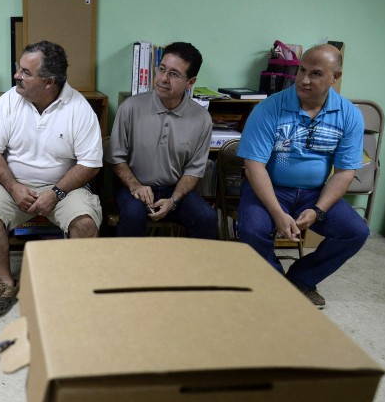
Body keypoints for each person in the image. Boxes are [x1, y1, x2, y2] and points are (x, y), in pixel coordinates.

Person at [0, 41, 103, 318]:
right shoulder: (9, 100)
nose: (17, 76)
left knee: (85, 222)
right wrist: (13, 186)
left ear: (49, 82)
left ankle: (76, 286)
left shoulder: (79, 109)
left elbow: (90, 164)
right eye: (19, 69)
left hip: (64, 187)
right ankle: (7, 284)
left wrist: (56, 193)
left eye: (25, 72)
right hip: (13, 183)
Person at [237, 43, 369, 308]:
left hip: (314, 194)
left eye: (316, 74)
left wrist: (318, 210)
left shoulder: (349, 115)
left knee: (356, 232)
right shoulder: (269, 108)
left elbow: (344, 172)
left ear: (335, 77)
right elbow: (254, 167)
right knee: (252, 229)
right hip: (271, 189)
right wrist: (277, 213)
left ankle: (301, 279)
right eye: (302, 71)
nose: (305, 80)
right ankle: (273, 281)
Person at [108, 42, 216, 239]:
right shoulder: (131, 107)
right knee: (133, 215)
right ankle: (127, 269)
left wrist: (173, 200)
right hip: (135, 187)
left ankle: (197, 269)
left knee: (206, 217)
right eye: (162, 69)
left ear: (190, 82)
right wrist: (136, 187)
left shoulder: (201, 118)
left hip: (174, 190)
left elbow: (194, 170)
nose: (163, 79)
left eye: (174, 74)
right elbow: (116, 158)